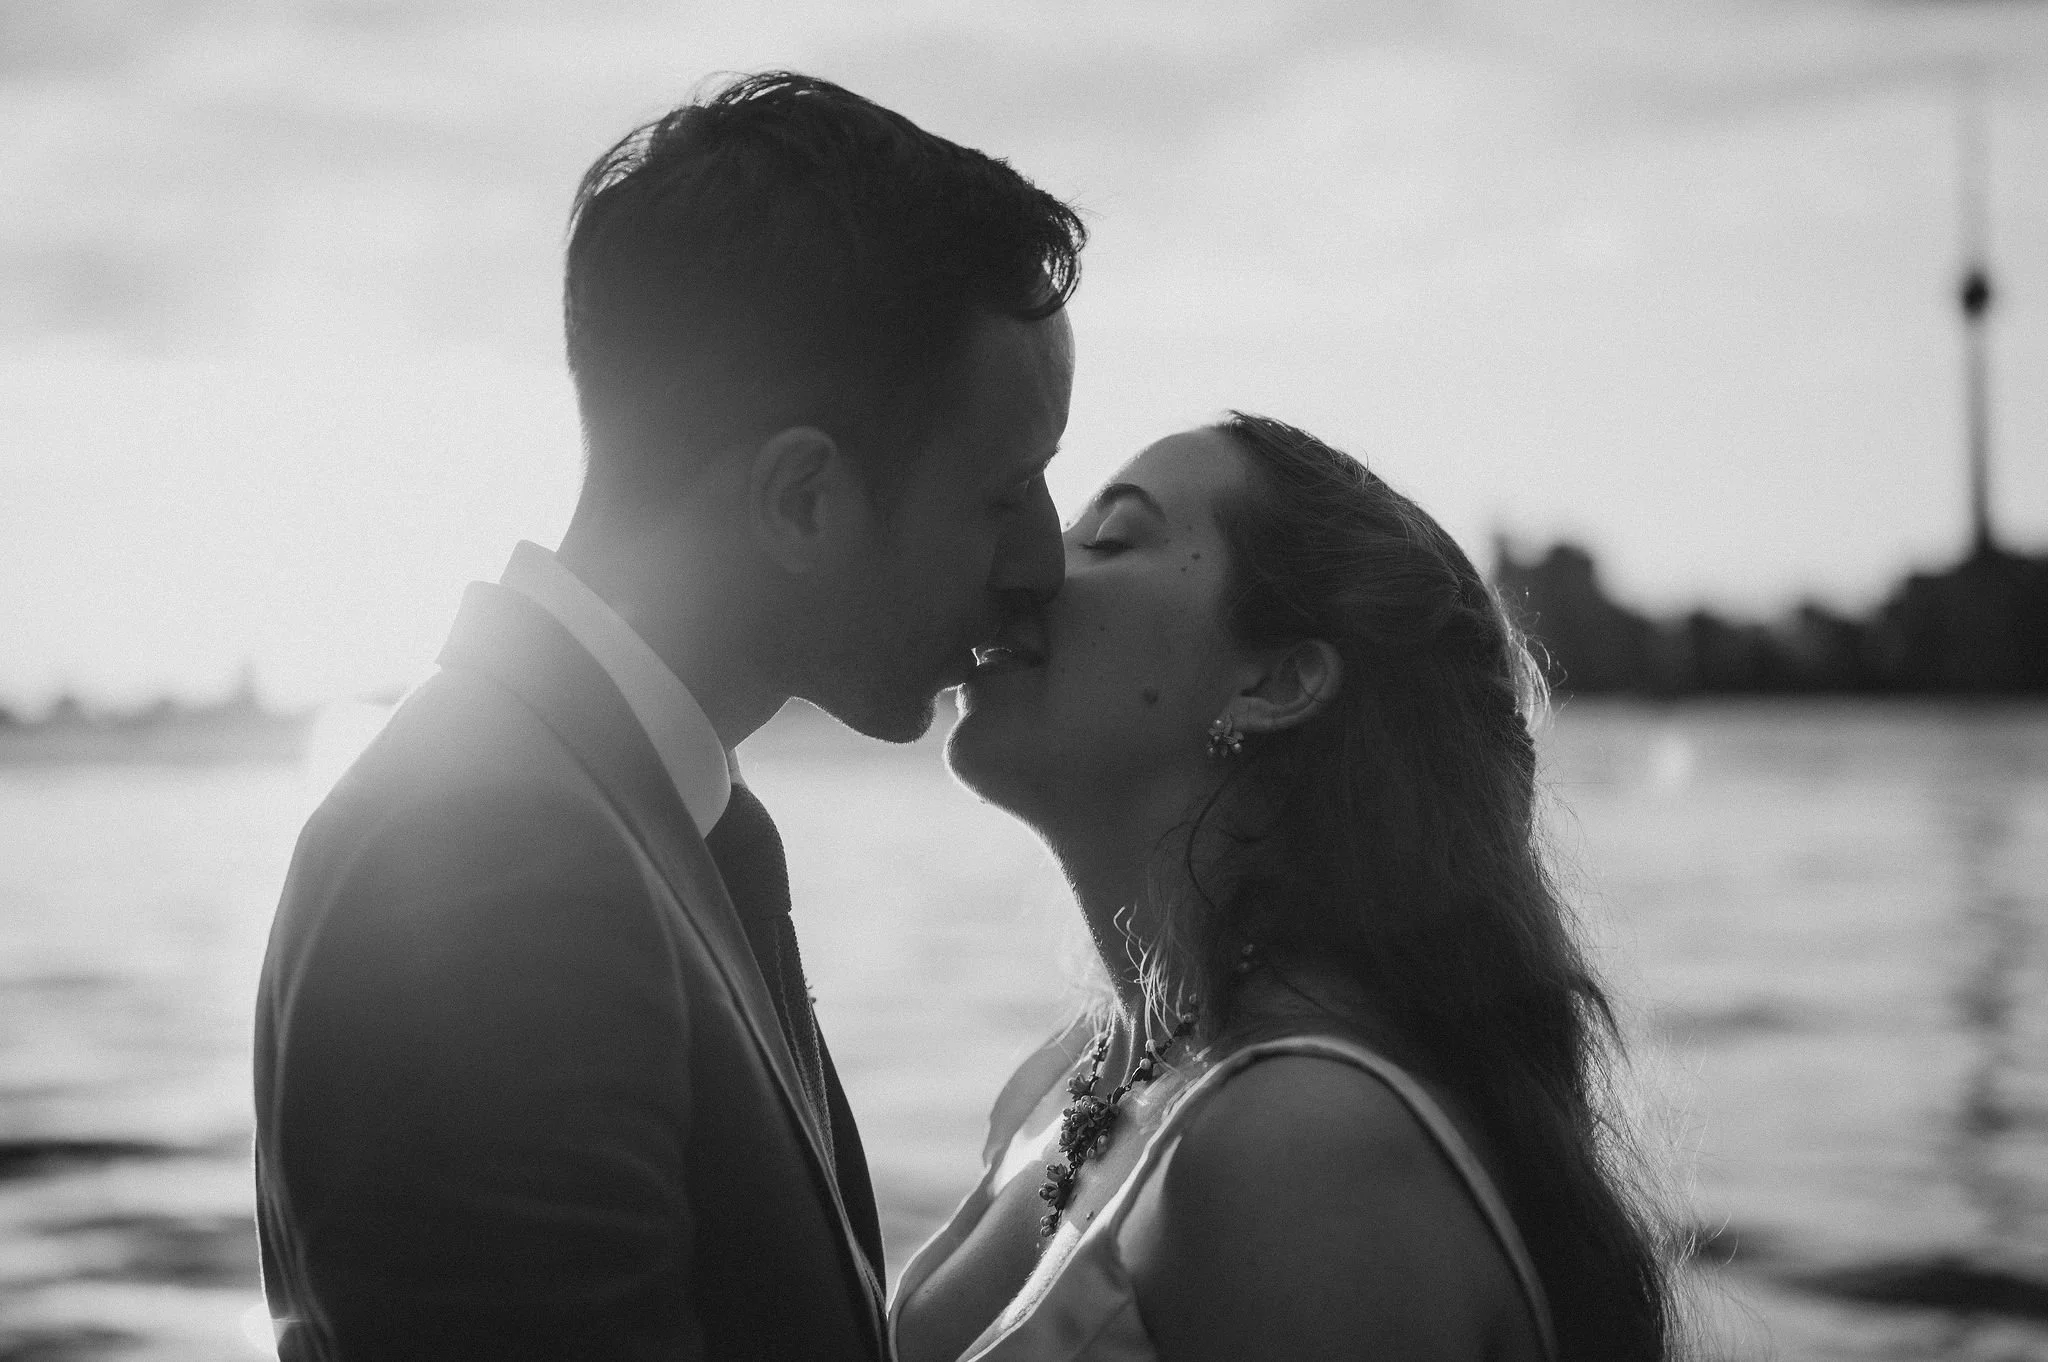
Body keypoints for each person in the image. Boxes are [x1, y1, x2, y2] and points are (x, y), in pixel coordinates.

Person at [253, 72, 1082, 1360]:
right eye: (1005, 491)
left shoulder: (614, 815)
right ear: (800, 500)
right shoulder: (499, 861)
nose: (1043, 562)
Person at [893, 414, 1678, 1361]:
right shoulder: (1091, 1067)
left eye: (1110, 539)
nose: (1035, 571)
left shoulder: (1303, 1148)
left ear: (1274, 679)